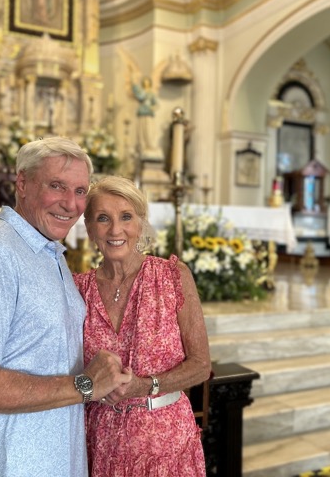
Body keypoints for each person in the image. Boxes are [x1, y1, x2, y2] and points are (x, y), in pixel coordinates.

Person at [0, 137, 132, 477]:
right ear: (22, 183)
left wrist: (99, 382)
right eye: (56, 186)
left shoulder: (50, 254)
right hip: (14, 464)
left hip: (60, 459)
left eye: (79, 191)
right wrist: (85, 385)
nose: (70, 204)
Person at [73, 175, 212, 476]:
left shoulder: (173, 276)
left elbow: (201, 365)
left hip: (166, 445)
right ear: (89, 229)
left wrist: (146, 386)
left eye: (126, 217)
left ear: (140, 223)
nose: (115, 230)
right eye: (102, 218)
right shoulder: (76, 289)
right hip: (99, 444)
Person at [132, 76, 163, 160]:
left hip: (148, 114)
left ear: (149, 83)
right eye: (144, 81)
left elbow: (156, 104)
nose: (146, 82)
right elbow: (140, 96)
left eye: (147, 81)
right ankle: (142, 146)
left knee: (149, 130)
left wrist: (152, 107)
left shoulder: (151, 93)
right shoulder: (141, 92)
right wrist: (134, 84)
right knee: (141, 132)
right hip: (142, 113)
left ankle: (150, 145)